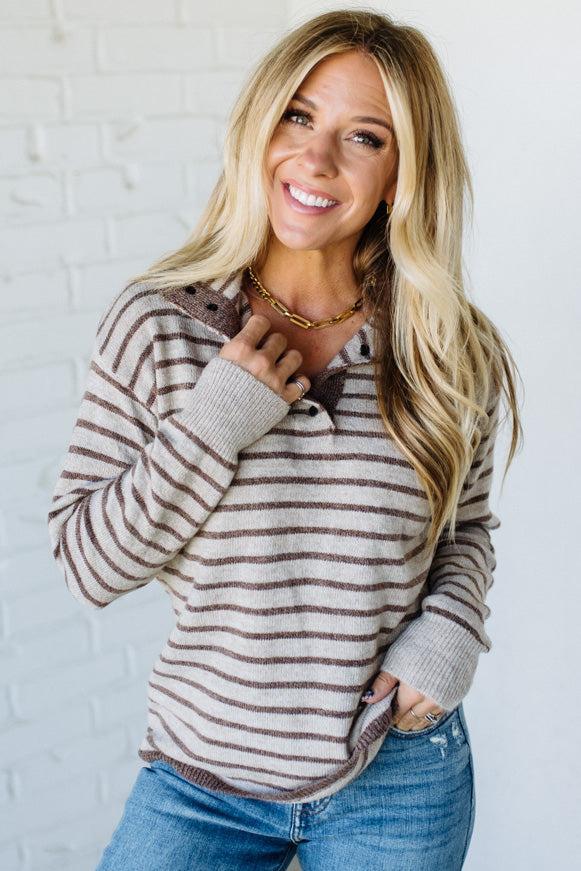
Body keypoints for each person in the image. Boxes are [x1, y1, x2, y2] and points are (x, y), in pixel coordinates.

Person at [47, 8, 522, 870]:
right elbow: (88, 563)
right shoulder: (158, 324)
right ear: (259, 126)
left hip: (398, 769)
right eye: (298, 116)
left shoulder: (448, 345)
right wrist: (213, 421)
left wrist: (450, 630)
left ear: (401, 174)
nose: (315, 158)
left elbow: (465, 528)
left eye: (364, 137)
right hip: (201, 779)